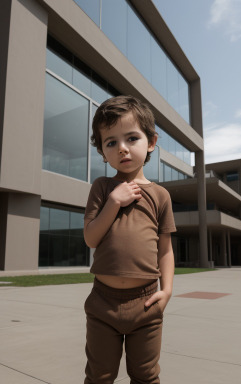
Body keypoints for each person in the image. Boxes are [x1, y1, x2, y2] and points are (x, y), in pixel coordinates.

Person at [83, 95, 176, 384]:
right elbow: (91, 238)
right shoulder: (102, 187)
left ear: (150, 142)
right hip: (103, 302)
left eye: (131, 138)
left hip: (146, 303)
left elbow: (165, 249)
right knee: (100, 375)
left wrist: (167, 291)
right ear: (103, 151)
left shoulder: (160, 195)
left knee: (146, 376)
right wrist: (113, 201)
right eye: (111, 142)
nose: (122, 148)